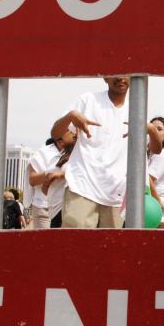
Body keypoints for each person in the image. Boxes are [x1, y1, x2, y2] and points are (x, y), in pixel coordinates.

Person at [50, 77, 130, 228]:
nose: (121, 77)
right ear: (105, 77)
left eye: (126, 72)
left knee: (110, 249)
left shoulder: (137, 108)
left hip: (116, 192)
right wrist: (70, 116)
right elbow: (55, 133)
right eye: (115, 72)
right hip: (82, 186)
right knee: (76, 246)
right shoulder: (88, 100)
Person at [26, 138, 62, 229]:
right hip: (44, 208)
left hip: (65, 208)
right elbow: (32, 179)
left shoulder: (74, 152)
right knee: (46, 242)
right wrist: (51, 173)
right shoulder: (41, 154)